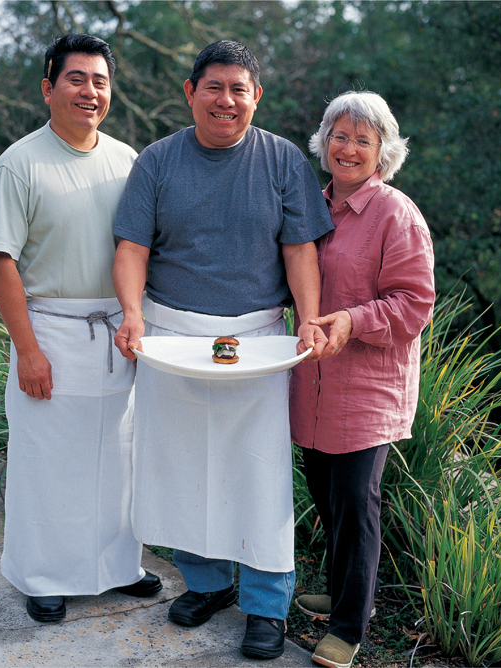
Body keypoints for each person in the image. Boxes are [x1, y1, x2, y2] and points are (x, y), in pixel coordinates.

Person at [112, 40, 333, 660]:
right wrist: (132, 316)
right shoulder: (157, 161)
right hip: (171, 335)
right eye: (214, 87)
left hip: (256, 337)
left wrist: (310, 320)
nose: (226, 100)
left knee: (259, 476)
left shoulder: (284, 161)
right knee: (184, 468)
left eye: (239, 89)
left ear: (256, 96)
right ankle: (207, 584)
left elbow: (300, 249)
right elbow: (132, 247)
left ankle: (266, 606)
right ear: (190, 92)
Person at [0, 33, 162, 623]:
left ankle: (119, 569)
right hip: (49, 330)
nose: (89, 91)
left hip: (115, 332)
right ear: (48, 88)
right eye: (76, 78)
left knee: (119, 455)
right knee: (47, 462)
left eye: (100, 81)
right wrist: (27, 350)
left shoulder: (127, 160)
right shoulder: (19, 164)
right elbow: (0, 261)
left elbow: (138, 247)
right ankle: (43, 576)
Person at [290, 90, 435, 668]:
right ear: (324, 143)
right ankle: (346, 588)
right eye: (339, 136)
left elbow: (414, 303)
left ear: (383, 153)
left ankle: (350, 626)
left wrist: (352, 319)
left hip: (368, 385)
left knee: (355, 498)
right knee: (326, 495)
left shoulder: (396, 213)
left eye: (363, 140)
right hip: (313, 380)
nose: (348, 148)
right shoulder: (310, 205)